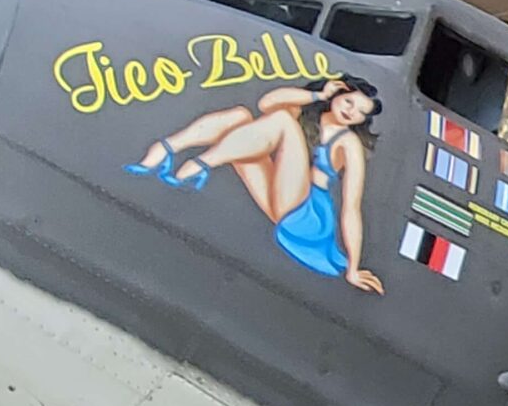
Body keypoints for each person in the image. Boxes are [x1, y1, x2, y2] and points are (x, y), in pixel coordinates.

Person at [129, 77, 385, 292]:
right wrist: (318, 94)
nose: (351, 112)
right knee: (240, 117)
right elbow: (266, 103)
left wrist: (353, 267)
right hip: (281, 196)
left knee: (283, 122)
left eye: (360, 112)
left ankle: (202, 163)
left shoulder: (349, 143)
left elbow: (351, 206)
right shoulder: (309, 112)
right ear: (337, 93)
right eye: (348, 101)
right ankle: (165, 149)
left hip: (307, 217)